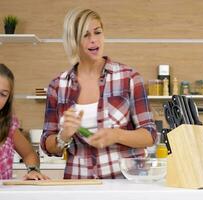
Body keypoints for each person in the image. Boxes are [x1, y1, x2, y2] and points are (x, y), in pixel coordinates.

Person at [40, 8, 157, 179]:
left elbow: (150, 134)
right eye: (85, 35)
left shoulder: (128, 77)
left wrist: (116, 134)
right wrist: (63, 136)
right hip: (79, 184)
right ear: (73, 41)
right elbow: (47, 145)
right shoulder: (58, 86)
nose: (94, 40)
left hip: (126, 184)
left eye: (98, 32)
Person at [0, 64, 49, 180]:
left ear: (8, 99)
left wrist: (32, 171)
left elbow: (29, 154)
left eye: (2, 94)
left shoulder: (8, 126)